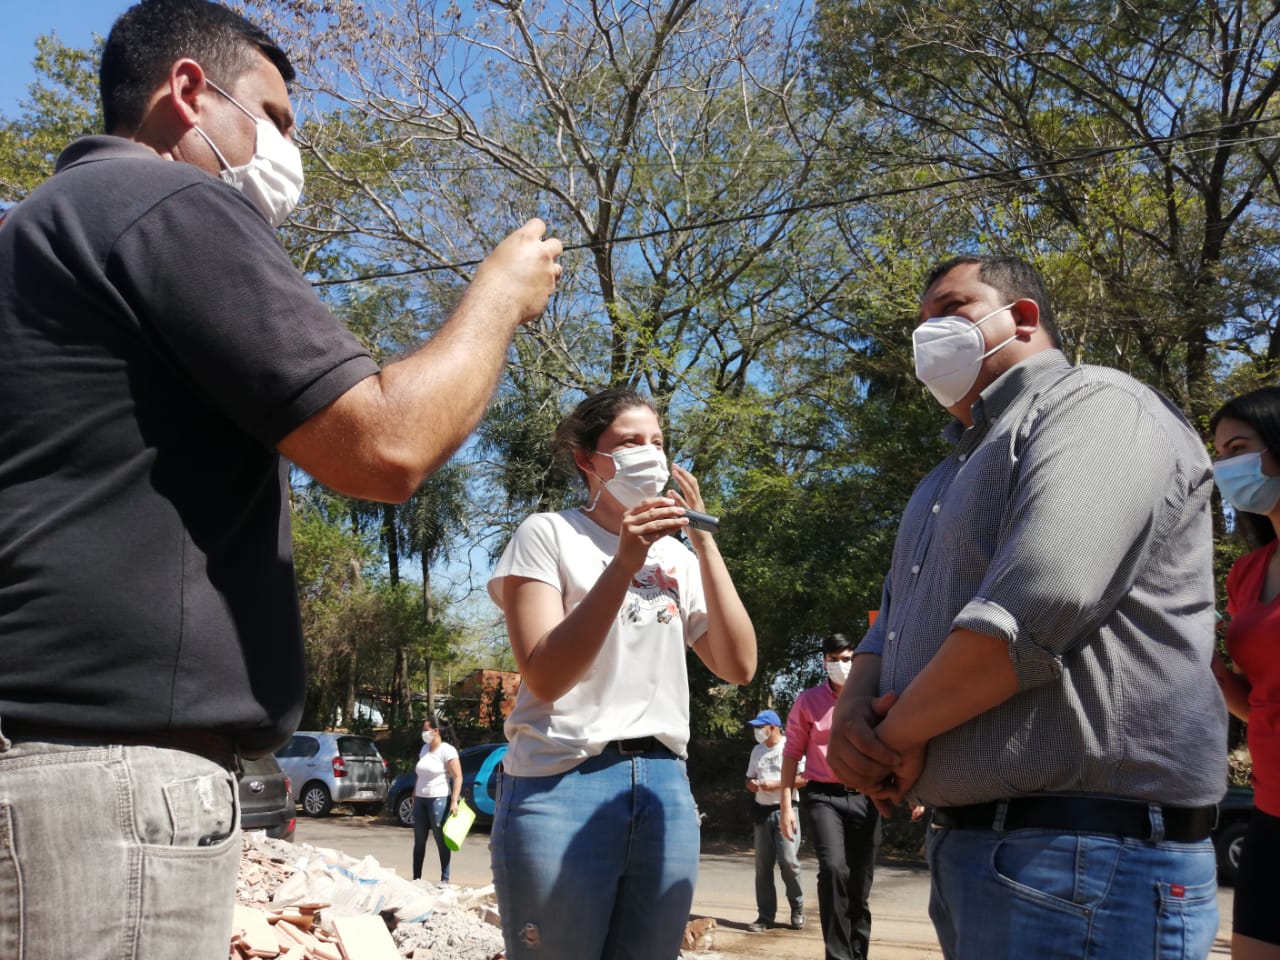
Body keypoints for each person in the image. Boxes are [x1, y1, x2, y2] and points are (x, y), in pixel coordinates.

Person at [0, 1, 561, 957]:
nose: (287, 148)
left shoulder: (35, 236)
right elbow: (384, 447)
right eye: (276, 118)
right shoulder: (163, 201)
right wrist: (499, 297)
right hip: (115, 781)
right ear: (188, 92)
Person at [826, 254, 1228, 960]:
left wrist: (891, 739)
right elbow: (888, 625)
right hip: (982, 847)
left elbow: (1042, 598)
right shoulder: (942, 479)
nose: (928, 335)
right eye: (919, 324)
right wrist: (854, 716)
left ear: (1023, 318)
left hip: (1089, 855)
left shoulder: (1099, 405)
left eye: (950, 309)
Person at [486, 387, 756, 959]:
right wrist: (624, 563)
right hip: (562, 781)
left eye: (657, 442)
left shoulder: (677, 558)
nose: (649, 455)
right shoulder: (547, 533)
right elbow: (545, 676)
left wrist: (703, 545)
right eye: (629, 442)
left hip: (664, 787)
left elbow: (739, 665)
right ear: (587, 460)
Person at [1208, 386, 1280, 960]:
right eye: (1218, 453)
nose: (1224, 466)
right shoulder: (1248, 573)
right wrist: (1199, 661)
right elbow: (1256, 701)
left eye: (1238, 447)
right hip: (1270, 807)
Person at [778, 634, 879, 960]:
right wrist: (785, 805)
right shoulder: (808, 702)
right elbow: (792, 752)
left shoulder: (872, 696)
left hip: (867, 796)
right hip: (824, 796)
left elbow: (898, 740)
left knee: (859, 883)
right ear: (823, 661)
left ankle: (857, 953)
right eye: (834, 659)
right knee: (834, 869)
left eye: (847, 658)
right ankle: (837, 956)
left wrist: (914, 790)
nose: (841, 665)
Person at [744, 708, 805, 934]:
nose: (758, 731)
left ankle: (797, 905)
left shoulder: (789, 747)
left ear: (774, 727)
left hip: (786, 810)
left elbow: (805, 777)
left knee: (788, 860)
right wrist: (751, 785)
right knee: (762, 866)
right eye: (756, 727)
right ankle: (765, 915)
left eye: (761, 727)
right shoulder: (757, 751)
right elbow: (749, 777)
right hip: (762, 811)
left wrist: (778, 785)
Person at [411, 717, 463, 884]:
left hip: (438, 799)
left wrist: (454, 800)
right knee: (419, 840)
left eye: (426, 729)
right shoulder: (424, 749)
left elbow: (458, 776)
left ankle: (444, 879)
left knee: (441, 840)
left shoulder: (447, 750)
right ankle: (416, 878)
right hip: (420, 799)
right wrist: (413, 794)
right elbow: (420, 775)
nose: (423, 733)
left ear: (436, 731)